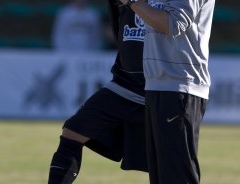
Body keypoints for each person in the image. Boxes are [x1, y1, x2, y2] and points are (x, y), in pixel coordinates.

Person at [48, 0, 149, 183]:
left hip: (163, 89)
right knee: (73, 131)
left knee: (166, 162)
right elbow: (119, 35)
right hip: (124, 84)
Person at [118, 0, 215, 183]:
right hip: (158, 86)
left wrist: (132, 2)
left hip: (179, 87)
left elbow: (172, 23)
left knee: (177, 178)